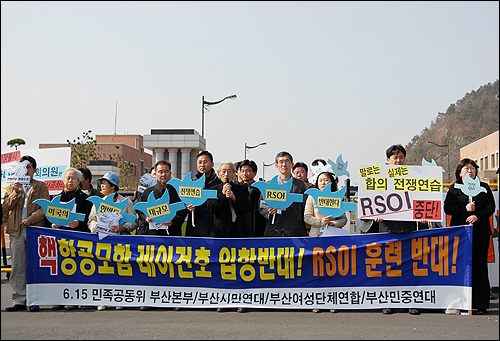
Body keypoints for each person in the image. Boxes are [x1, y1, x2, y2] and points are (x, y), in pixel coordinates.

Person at [444, 158, 495, 315]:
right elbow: (447, 208)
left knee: (479, 266)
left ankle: (481, 304)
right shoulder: (454, 189)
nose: (470, 170)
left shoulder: (484, 188)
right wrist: (464, 208)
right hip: (460, 232)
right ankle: (462, 302)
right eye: (466, 168)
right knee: (462, 266)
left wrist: (477, 215)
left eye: (472, 168)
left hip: (480, 232)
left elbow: (491, 207)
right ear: (460, 172)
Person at [3, 155, 50, 312]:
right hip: (16, 231)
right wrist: (15, 193)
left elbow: (45, 208)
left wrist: (31, 219)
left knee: (34, 265)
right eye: (22, 166)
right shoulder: (11, 187)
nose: (25, 169)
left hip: (34, 230)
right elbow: (6, 208)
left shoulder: (41, 186)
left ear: (34, 170)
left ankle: (34, 299)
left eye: (28, 167)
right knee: (17, 266)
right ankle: (19, 300)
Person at [87, 172, 137, 311]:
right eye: (101, 183)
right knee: (103, 269)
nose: (102, 185)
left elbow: (134, 222)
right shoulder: (98, 201)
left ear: (113, 186)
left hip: (121, 241)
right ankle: (102, 299)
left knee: (120, 269)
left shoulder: (126, 202)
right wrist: (95, 228)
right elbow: (91, 220)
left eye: (105, 183)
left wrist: (122, 227)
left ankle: (119, 298)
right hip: (103, 241)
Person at [304, 171, 347, 314]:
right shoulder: (312, 197)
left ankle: (332, 301)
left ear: (332, 182)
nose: (323, 182)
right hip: (316, 237)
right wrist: (321, 221)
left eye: (326, 180)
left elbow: (344, 219)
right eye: (320, 180)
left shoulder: (337, 197)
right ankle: (317, 301)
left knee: (332, 270)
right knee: (316, 270)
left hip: (333, 238)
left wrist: (334, 223)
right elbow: (307, 217)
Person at [51, 167, 93, 311]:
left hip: (78, 239)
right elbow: (48, 219)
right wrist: (53, 224)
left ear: (79, 181)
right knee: (60, 269)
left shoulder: (85, 199)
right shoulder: (56, 199)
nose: (70, 181)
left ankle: (75, 299)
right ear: (63, 180)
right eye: (68, 178)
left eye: (73, 178)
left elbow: (90, 219)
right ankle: (59, 299)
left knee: (76, 269)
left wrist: (78, 223)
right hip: (60, 240)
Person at [259, 151, 308, 237]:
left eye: (287, 161)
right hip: (274, 230)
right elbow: (262, 206)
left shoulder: (300, 185)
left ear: (292, 165)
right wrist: (269, 212)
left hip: (295, 231)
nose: (284, 165)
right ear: (276, 166)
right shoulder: (270, 185)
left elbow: (307, 207)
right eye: (281, 162)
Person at [136, 160, 187, 237]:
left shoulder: (177, 192)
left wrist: (173, 222)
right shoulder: (148, 192)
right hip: (152, 235)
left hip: (172, 234)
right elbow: (140, 210)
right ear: (155, 174)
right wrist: (146, 218)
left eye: (166, 171)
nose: (163, 174)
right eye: (160, 172)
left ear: (170, 173)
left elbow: (182, 212)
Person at [185, 151, 222, 237]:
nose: (202, 165)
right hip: (195, 227)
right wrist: (188, 207)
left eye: (205, 162)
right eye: (200, 162)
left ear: (212, 164)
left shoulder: (219, 184)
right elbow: (185, 201)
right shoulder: (191, 183)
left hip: (214, 227)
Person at [237, 159, 266, 237]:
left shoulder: (259, 190)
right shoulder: (236, 189)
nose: (244, 173)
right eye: (242, 171)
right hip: (239, 228)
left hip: (256, 227)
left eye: (248, 171)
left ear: (255, 173)